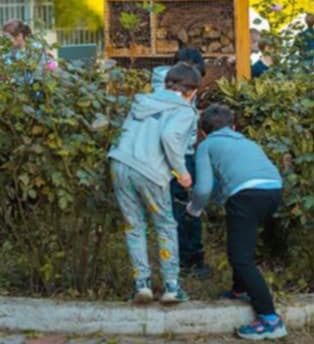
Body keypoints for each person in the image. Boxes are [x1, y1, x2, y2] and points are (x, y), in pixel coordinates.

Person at [186, 104, 286, 340]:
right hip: (273, 190)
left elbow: (203, 188)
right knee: (243, 245)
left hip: (246, 195)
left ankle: (270, 319)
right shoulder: (246, 141)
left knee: (240, 258)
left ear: (202, 133)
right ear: (234, 126)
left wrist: (194, 209)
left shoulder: (207, 145)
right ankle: (240, 290)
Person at [108, 63, 200, 304]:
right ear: (192, 91)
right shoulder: (185, 110)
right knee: (165, 225)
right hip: (150, 171)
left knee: (134, 225)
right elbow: (169, 137)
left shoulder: (143, 101)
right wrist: (182, 172)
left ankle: (142, 285)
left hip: (119, 163)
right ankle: (171, 287)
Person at [151, 47, 209, 278]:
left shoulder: (160, 86)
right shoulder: (177, 91)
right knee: (188, 208)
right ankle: (192, 261)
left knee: (171, 211)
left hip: (157, 157)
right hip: (179, 157)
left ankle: (175, 262)